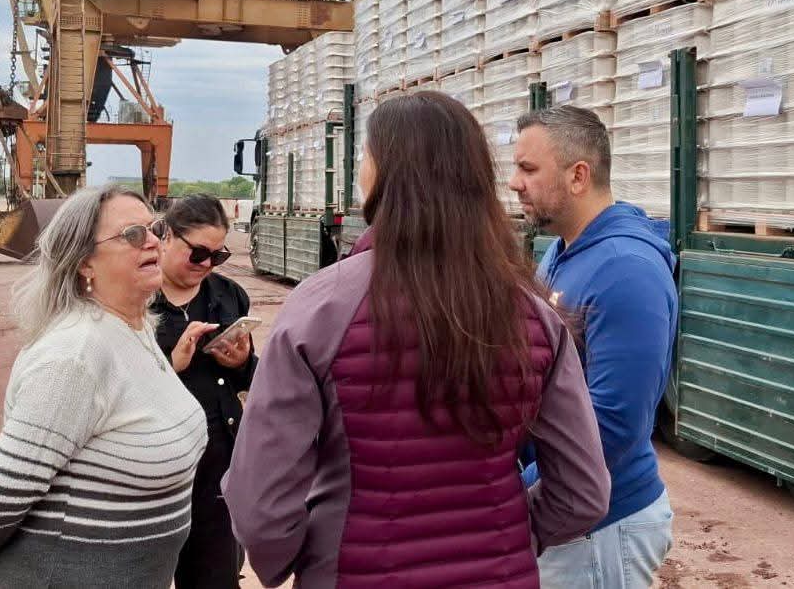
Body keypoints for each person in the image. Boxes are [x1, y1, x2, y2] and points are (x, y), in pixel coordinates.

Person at [223, 91, 610, 588]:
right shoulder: (535, 314)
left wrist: (305, 558)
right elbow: (584, 493)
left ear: (383, 173)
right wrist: (512, 536)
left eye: (365, 156)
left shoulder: (320, 308)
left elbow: (261, 503)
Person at [0, 185, 208, 588]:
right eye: (132, 235)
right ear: (85, 262)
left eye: (155, 228)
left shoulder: (135, 329)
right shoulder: (75, 355)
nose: (154, 242)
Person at [510, 105, 679, 589]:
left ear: (578, 175)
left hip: (601, 528)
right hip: (569, 516)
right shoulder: (563, 252)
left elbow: (615, 424)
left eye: (528, 169)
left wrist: (524, 499)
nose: (514, 183)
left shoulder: (626, 270)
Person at [150, 193, 256, 589]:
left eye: (217, 256)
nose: (207, 265)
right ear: (165, 236)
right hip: (151, 472)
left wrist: (241, 363)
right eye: (197, 254)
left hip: (216, 471)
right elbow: (109, 382)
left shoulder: (228, 296)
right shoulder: (135, 298)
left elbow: (248, 382)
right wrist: (169, 363)